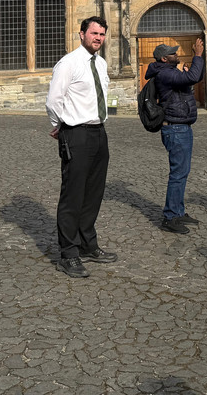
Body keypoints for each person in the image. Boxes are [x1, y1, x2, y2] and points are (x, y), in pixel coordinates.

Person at [46, 17, 117, 278]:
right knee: (73, 194)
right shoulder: (68, 63)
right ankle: (69, 254)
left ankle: (88, 244)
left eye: (102, 34)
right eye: (94, 33)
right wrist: (61, 125)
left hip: (99, 132)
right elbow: (54, 99)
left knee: (93, 193)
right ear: (82, 34)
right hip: (76, 133)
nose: (98, 38)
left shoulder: (101, 63)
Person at [144, 37, 205, 234]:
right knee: (178, 174)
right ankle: (170, 217)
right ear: (164, 58)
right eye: (173, 53)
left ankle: (178, 211)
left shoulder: (170, 71)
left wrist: (194, 67)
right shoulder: (164, 74)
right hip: (175, 129)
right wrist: (197, 55)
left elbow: (194, 78)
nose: (177, 54)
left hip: (182, 127)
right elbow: (192, 78)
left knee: (182, 172)